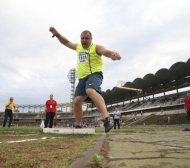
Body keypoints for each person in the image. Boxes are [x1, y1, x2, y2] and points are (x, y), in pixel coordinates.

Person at [49, 27, 121, 133]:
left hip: (94, 74)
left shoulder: (96, 47)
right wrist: (57, 34)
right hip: (82, 79)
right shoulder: (78, 47)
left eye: (86, 38)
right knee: (77, 101)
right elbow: (67, 42)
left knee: (90, 90)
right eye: (82, 38)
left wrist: (113, 55)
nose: (84, 40)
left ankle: (107, 119)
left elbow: (107, 52)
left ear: (91, 39)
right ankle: (78, 125)